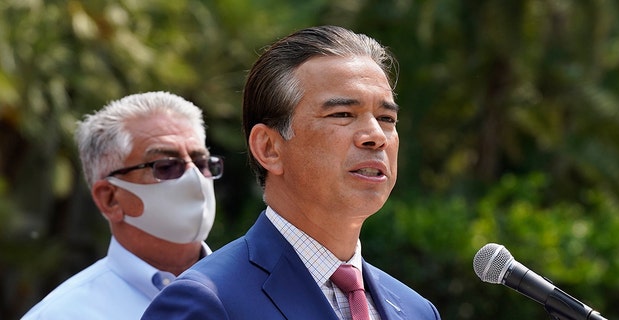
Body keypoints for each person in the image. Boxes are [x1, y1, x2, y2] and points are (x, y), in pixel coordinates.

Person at [142, 25, 440, 320]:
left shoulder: (418, 311)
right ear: (269, 148)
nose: (376, 135)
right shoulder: (206, 303)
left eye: (387, 118)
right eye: (342, 114)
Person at [22, 91, 223, 320]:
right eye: (166, 166)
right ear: (110, 199)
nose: (194, 177)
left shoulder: (257, 288)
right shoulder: (62, 315)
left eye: (201, 163)